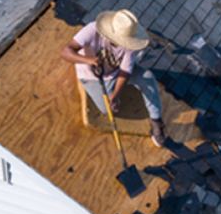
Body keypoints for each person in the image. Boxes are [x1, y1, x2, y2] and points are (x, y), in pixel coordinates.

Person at [61, 9, 166, 147]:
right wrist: (88, 60)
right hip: (91, 75)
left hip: (116, 72)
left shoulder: (130, 43)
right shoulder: (92, 29)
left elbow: (125, 72)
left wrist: (115, 95)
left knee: (147, 78)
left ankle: (156, 120)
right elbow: (66, 52)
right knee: (106, 109)